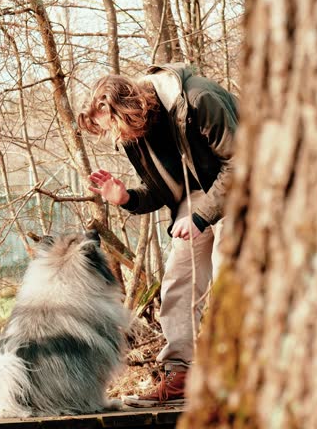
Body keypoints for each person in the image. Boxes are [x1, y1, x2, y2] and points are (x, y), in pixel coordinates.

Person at [79, 63, 238, 407]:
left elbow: (239, 164)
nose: (114, 138)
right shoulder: (135, 137)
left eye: (113, 127)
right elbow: (159, 190)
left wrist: (201, 217)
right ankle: (181, 376)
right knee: (178, 281)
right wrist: (127, 198)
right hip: (200, 196)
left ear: (128, 109)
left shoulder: (199, 99)